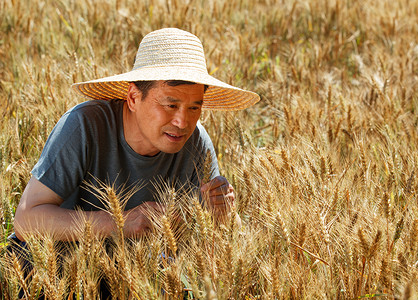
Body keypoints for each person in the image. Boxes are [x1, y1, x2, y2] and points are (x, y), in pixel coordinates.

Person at [12, 28, 260, 242]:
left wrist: (225, 214)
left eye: (194, 107)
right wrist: (119, 223)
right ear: (133, 97)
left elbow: (228, 240)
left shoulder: (196, 141)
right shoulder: (84, 126)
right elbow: (25, 221)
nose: (182, 121)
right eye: (170, 105)